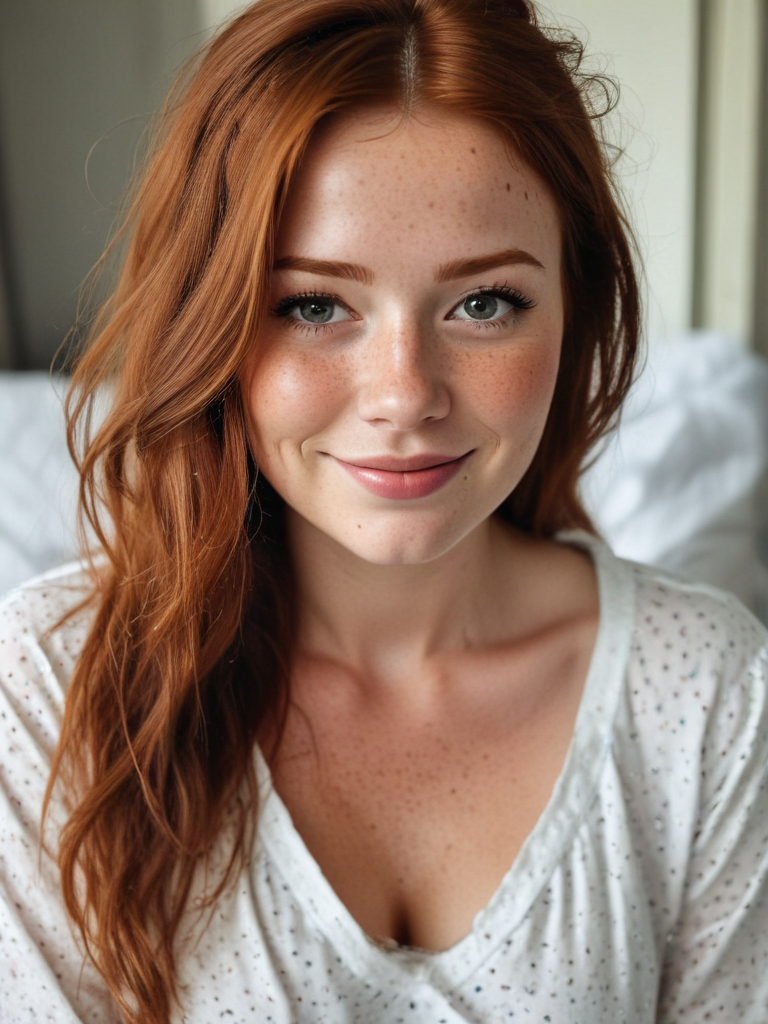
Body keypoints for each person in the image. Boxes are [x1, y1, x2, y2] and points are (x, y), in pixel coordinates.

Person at [1, 0, 768, 1021]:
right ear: (212, 324)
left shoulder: (711, 694)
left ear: (575, 311)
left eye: (483, 302)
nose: (405, 393)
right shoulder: (52, 697)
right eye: (314, 306)